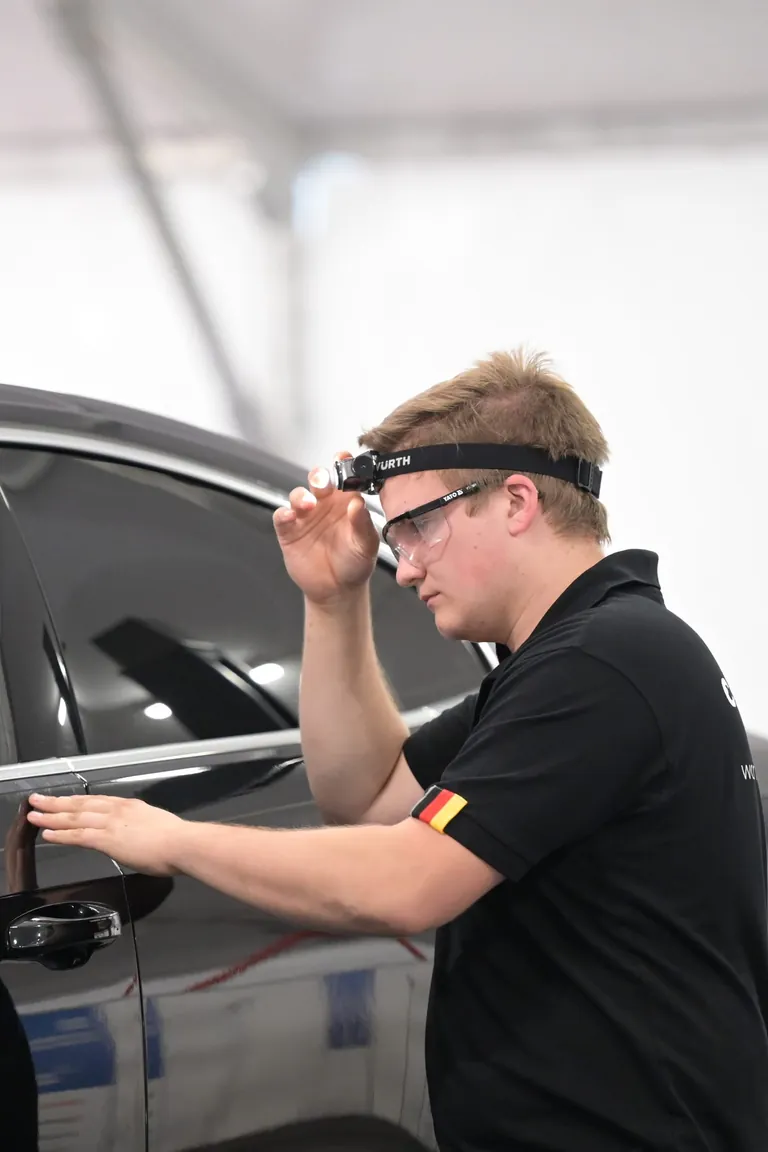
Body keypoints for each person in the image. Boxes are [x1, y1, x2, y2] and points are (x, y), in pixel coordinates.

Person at [26, 348, 768, 1152]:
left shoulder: (602, 664)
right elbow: (369, 796)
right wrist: (332, 600)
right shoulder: (572, 657)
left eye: (421, 526)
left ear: (516, 500)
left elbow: (408, 881)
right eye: (394, 533)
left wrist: (173, 839)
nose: (405, 567)